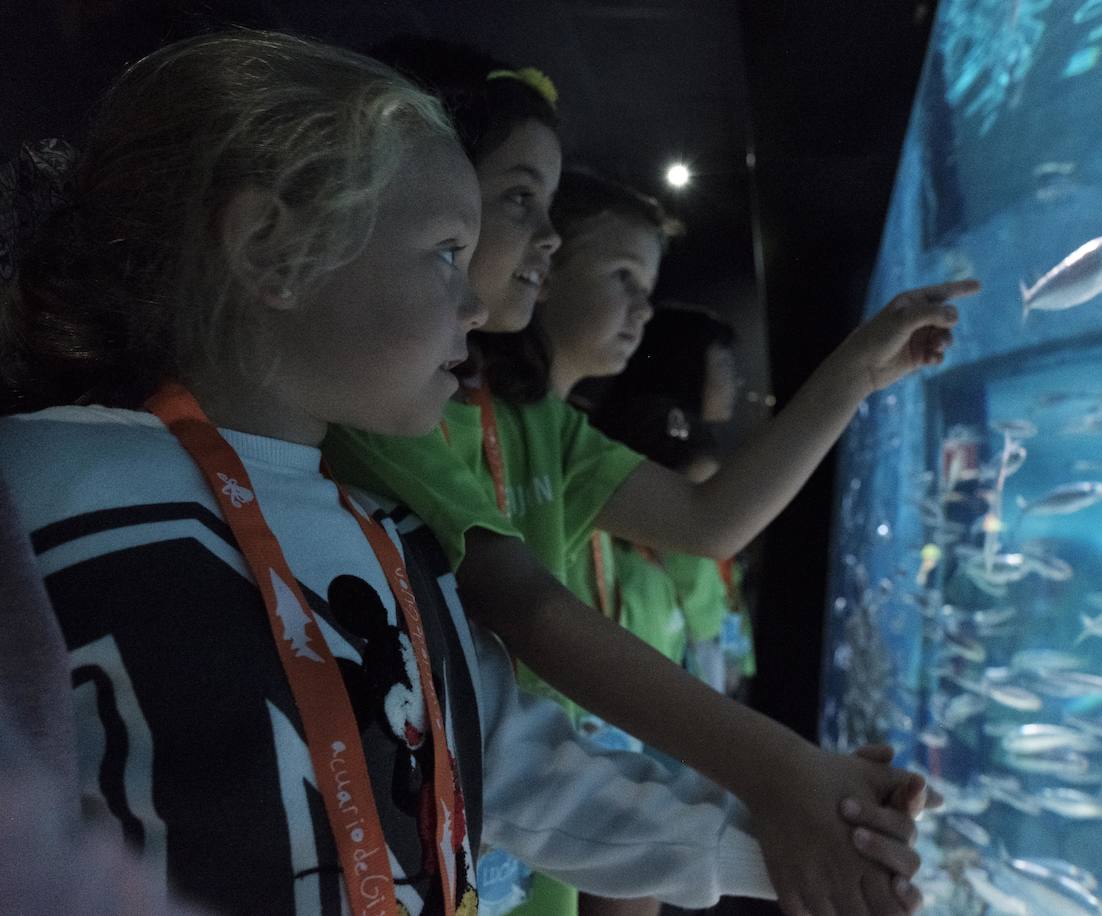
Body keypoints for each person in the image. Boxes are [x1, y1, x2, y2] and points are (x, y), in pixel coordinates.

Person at [0, 31, 923, 916]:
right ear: (270, 250)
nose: (476, 301)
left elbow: (515, 770)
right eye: (446, 252)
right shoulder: (38, 498)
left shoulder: (397, 543)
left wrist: (818, 845)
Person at [327, 37, 968, 916]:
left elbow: (713, 521)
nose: (544, 238)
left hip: (539, 826)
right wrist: (784, 775)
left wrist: (857, 369)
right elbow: (532, 610)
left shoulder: (536, 421)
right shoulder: (390, 406)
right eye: (520, 201)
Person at [589, 305, 753, 697]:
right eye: (726, 366)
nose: (738, 381)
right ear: (687, 366)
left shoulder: (625, 433)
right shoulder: (696, 463)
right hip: (678, 644)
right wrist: (720, 649)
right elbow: (694, 581)